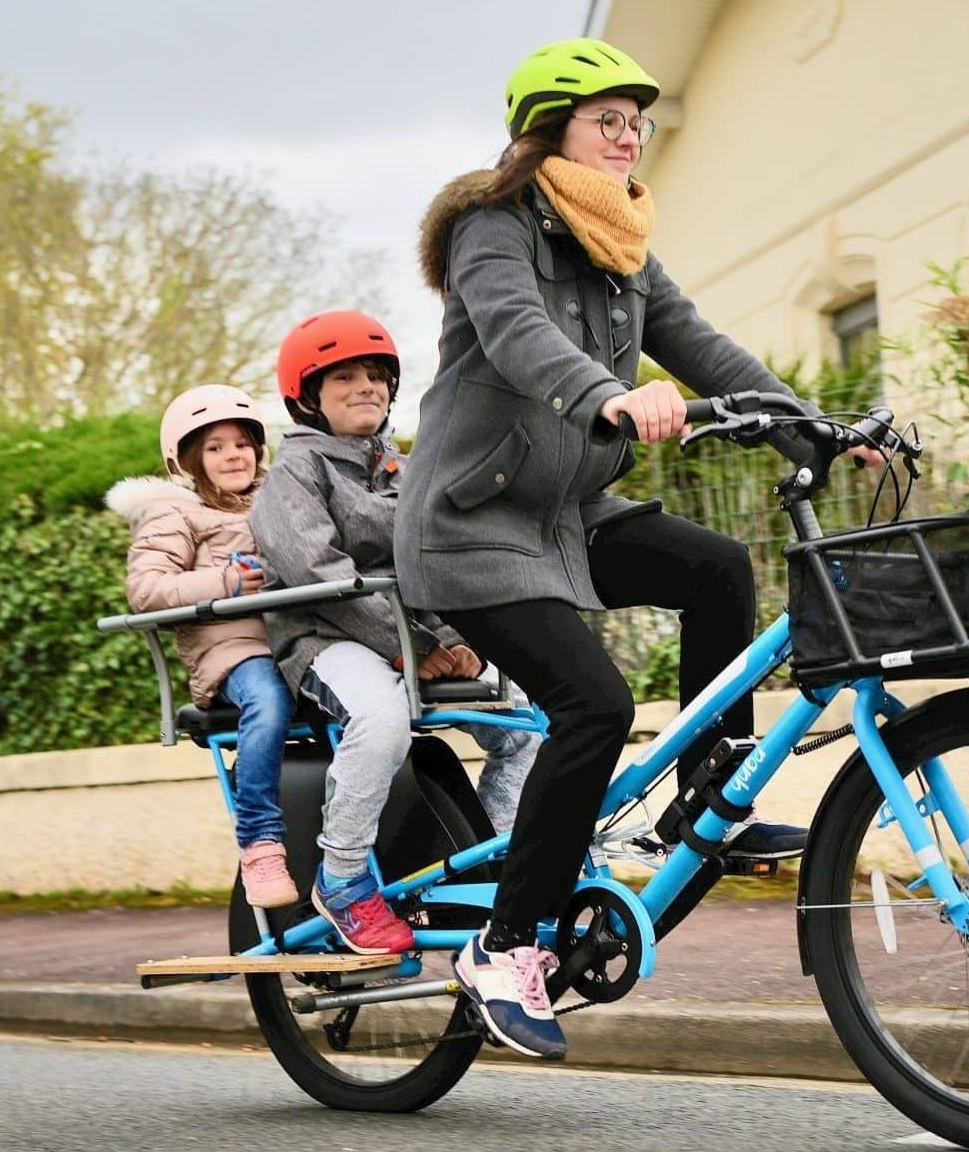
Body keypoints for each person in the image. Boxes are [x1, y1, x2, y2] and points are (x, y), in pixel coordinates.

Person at [396, 37, 882, 1059]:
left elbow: (703, 345)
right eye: (605, 120)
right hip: (471, 524)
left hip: (566, 512)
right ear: (548, 132)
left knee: (717, 568)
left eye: (635, 122)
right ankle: (504, 944)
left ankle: (707, 796)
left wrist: (819, 427)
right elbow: (518, 331)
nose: (626, 137)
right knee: (594, 704)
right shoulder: (495, 226)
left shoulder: (621, 248)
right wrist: (607, 393)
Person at [250, 309, 542, 955]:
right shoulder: (294, 474)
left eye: (378, 376)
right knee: (380, 719)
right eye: (346, 377)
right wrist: (413, 649)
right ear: (308, 397)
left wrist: (452, 639)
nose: (368, 388)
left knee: (528, 720)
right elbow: (316, 572)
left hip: (413, 640)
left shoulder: (401, 469)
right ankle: (345, 879)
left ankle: (490, 867)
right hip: (327, 639)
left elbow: (436, 565)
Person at [107, 385, 298, 909]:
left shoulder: (284, 497)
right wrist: (225, 582)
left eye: (241, 443)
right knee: (268, 701)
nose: (233, 455)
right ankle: (260, 842)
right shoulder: (176, 514)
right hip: (235, 652)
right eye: (215, 447)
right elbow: (146, 591)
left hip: (301, 642)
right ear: (189, 460)